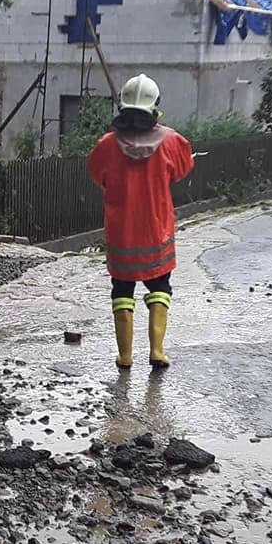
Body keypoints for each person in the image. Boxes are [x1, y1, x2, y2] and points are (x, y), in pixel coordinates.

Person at [87, 74, 194, 370]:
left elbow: (98, 175)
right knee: (160, 287)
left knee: (122, 290)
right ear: (155, 106)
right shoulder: (173, 141)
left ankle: (125, 356)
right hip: (156, 229)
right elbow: (182, 169)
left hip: (122, 233)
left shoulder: (106, 145)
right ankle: (157, 351)